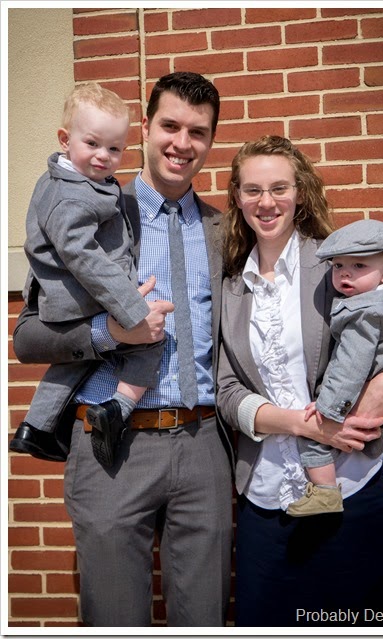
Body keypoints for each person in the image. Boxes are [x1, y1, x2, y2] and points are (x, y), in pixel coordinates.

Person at [12, 72, 234, 627]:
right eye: (170, 126)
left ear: (211, 140)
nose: (182, 143)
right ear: (148, 128)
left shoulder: (225, 230)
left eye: (198, 132)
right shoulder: (92, 206)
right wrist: (110, 333)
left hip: (204, 444)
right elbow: (28, 338)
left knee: (205, 621)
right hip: (111, 447)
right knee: (114, 620)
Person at [216, 135, 383, 627]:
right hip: (266, 499)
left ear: (300, 192)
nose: (266, 202)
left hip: (354, 487)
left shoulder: (341, 267)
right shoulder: (229, 285)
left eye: (279, 188)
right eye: (253, 190)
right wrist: (303, 425)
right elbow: (226, 392)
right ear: (237, 197)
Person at [9, 82, 170, 466]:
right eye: (93, 144)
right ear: (65, 139)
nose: (104, 156)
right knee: (151, 339)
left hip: (71, 295)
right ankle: (118, 408)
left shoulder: (70, 181)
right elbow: (82, 256)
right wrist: (131, 307)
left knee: (77, 359)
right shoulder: (71, 195)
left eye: (114, 149)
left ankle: (35, 427)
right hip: (81, 294)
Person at [288, 219, 383, 517]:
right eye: (338, 265)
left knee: (311, 433)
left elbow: (350, 365)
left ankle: (325, 492)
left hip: (361, 404)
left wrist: (329, 409)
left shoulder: (361, 313)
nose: (345, 273)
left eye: (358, 265)